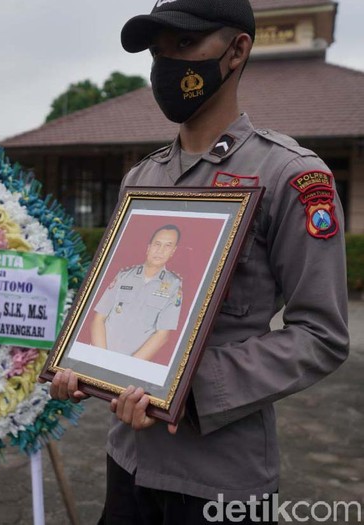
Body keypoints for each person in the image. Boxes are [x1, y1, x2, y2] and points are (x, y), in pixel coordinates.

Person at [46, 0, 349, 523]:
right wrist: (82, 366)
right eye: (158, 51)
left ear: (237, 51)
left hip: (220, 476)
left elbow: (321, 333)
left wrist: (193, 389)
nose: (168, 64)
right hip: (128, 460)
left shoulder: (290, 176)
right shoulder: (141, 181)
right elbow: (114, 297)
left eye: (186, 45)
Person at [91, 225, 182, 361]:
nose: (160, 250)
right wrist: (101, 358)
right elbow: (99, 318)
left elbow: (163, 335)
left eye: (168, 246)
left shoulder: (174, 285)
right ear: (148, 247)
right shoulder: (124, 276)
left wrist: (127, 365)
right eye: (157, 244)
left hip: (132, 364)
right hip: (98, 355)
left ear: (173, 251)